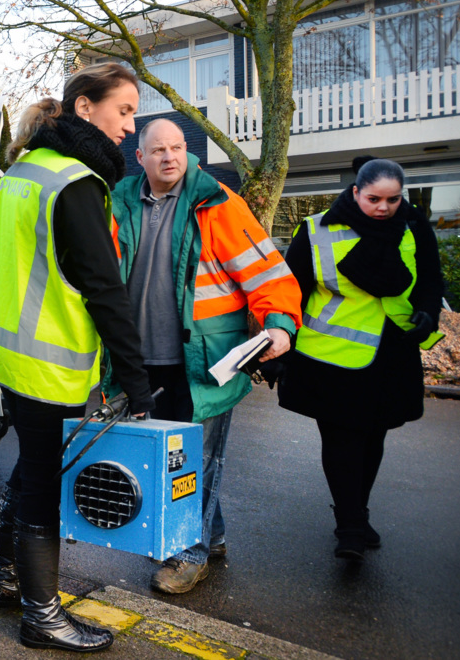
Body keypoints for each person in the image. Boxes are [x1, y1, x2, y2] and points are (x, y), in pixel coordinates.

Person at [0, 63, 155, 653]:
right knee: (41, 484)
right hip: (46, 365)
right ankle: (42, 616)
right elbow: (104, 289)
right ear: (85, 107)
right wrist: (135, 380)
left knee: (30, 469)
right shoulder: (76, 182)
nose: (130, 127)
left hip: (11, 357)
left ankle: (9, 579)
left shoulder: (27, 170)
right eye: (124, 111)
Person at [107, 119, 302, 594]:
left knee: (193, 462)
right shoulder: (118, 203)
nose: (169, 156)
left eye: (176, 147)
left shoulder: (217, 203)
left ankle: (188, 554)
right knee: (170, 458)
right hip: (139, 361)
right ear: (140, 157)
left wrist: (279, 323)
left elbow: (266, 270)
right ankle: (209, 537)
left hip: (203, 363)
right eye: (158, 150)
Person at [278, 157, 443, 560]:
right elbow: (290, 291)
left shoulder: (415, 226)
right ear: (355, 192)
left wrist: (427, 313)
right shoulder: (317, 228)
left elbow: (430, 278)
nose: (384, 208)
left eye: (392, 199)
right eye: (374, 199)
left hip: (392, 352)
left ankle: (358, 512)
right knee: (342, 440)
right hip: (330, 356)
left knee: (373, 438)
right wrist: (277, 344)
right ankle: (349, 525)